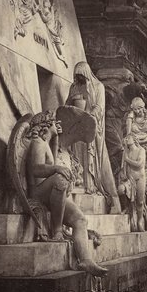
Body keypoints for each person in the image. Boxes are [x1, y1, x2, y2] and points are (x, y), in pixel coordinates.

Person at [24, 111, 106, 276]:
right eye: (55, 122)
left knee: (80, 219)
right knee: (60, 178)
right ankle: (57, 231)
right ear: (47, 125)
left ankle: (86, 260)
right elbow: (36, 169)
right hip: (39, 193)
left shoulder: (47, 143)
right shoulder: (38, 143)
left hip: (49, 192)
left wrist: (55, 143)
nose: (58, 125)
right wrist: (56, 168)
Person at [67, 61, 119, 211]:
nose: (79, 79)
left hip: (91, 126)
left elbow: (99, 107)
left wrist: (87, 116)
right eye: (77, 76)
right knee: (75, 154)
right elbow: (67, 103)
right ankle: (77, 181)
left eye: (81, 76)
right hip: (76, 126)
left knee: (89, 157)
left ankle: (89, 183)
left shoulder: (98, 87)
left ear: (87, 74)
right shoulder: (74, 87)